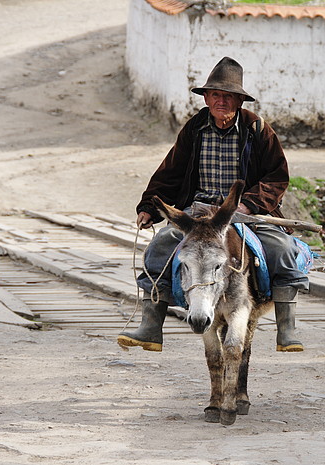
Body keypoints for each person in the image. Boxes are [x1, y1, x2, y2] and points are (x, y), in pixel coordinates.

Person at [118, 57, 308, 352]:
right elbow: (172, 170)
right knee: (159, 248)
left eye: (228, 96)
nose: (221, 101)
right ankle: (151, 325)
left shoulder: (257, 129)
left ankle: (286, 327)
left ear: (239, 101)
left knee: (283, 249)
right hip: (199, 212)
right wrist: (147, 206)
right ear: (206, 98)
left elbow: (277, 176)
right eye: (215, 95)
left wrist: (250, 204)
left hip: (244, 211)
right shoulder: (195, 129)